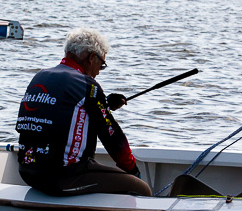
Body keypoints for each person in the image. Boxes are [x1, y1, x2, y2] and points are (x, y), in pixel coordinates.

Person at [15, 27, 152, 196]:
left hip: (27, 172)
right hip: (62, 177)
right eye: (102, 65)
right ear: (92, 57)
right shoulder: (86, 84)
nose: (99, 72)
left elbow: (61, 111)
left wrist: (104, 104)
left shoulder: (41, 76)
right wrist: (133, 171)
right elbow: (113, 138)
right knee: (141, 189)